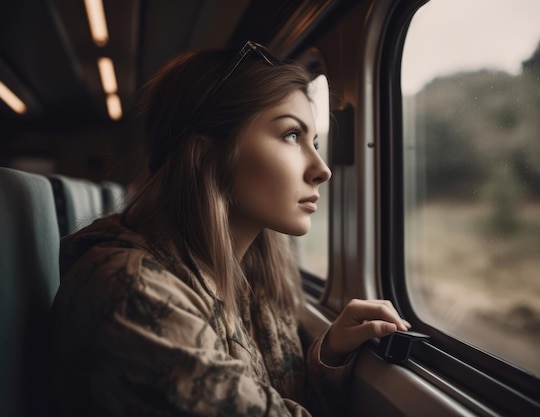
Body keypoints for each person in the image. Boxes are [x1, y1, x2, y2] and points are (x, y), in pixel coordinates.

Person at [49, 40, 410, 417]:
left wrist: (331, 351)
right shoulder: (133, 292)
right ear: (207, 154)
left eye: (313, 141)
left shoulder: (252, 275)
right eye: (291, 135)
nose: (322, 169)